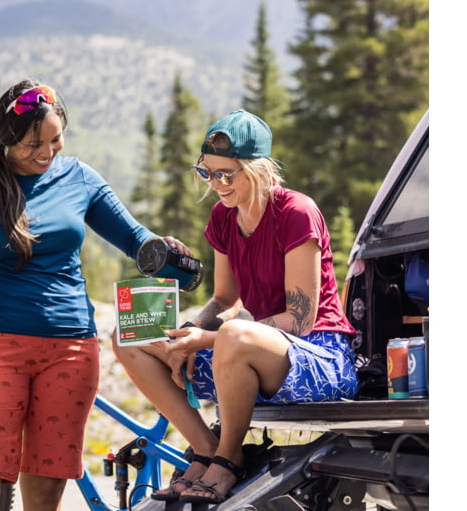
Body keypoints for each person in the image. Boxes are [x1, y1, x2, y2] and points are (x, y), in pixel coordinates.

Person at [0, 79, 192, 511]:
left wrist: (161, 251)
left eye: (55, 139)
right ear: (7, 139)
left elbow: (133, 237)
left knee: (46, 492)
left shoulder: (79, 178)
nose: (46, 152)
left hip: (70, 351)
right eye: (32, 144)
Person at [113, 110, 359, 505]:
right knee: (130, 338)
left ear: (257, 169)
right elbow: (226, 300)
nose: (215, 185)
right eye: (206, 173)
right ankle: (207, 449)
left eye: (226, 174)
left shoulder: (296, 213)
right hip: (247, 350)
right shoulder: (224, 218)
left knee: (233, 335)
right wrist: (190, 333)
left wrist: (211, 338)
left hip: (319, 354)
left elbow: (300, 319)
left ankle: (228, 461)